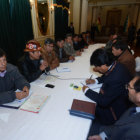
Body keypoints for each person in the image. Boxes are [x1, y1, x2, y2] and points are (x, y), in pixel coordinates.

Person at [82, 48, 132, 136]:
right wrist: (95, 81)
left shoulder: (116, 78)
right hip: (117, 101)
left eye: (97, 66)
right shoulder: (115, 65)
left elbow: (103, 101)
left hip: (114, 112)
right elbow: (107, 74)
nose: (96, 69)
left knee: (86, 108)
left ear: (104, 65)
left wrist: (87, 91)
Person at [88, 75, 140, 140]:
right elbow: (119, 126)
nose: (127, 88)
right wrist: (103, 136)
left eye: (129, 86)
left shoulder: (137, 133)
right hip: (109, 132)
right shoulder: (136, 105)